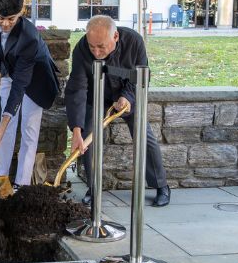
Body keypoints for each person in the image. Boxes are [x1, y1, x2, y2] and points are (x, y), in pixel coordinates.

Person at [64, 15, 170, 207]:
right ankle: (94, 187)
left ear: (116, 37)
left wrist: (127, 97)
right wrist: (76, 130)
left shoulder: (134, 41)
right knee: (88, 137)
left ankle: (161, 185)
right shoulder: (81, 49)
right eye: (92, 46)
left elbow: (141, 74)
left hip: (126, 94)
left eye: (101, 47)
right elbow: (77, 88)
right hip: (95, 96)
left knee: (144, 136)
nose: (96, 52)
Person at [0, 0, 60, 189]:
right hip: (10, 71)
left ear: (21, 13)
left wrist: (4, 122)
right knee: (5, 130)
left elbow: (20, 85)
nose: (5, 24)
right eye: (1, 18)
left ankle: (21, 185)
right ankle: (0, 179)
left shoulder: (29, 37)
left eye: (11, 19)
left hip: (36, 80)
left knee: (28, 131)